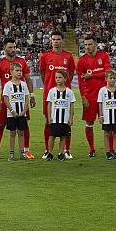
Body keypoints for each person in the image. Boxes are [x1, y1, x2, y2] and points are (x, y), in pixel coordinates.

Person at [0, 38, 31, 160]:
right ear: (4, 49)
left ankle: (26, 151)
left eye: (14, 47)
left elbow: (28, 79)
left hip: (21, 100)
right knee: (0, 125)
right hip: (7, 101)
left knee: (24, 126)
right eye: (10, 47)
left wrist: (32, 95)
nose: (13, 49)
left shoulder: (22, 62)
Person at [37, 30, 75, 159]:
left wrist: (65, 85)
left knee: (66, 123)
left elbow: (70, 74)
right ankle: (48, 150)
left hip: (65, 95)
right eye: (54, 39)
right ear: (51, 41)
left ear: (62, 41)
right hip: (50, 94)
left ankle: (66, 150)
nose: (56, 42)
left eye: (58, 39)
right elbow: (42, 74)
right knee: (48, 122)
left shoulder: (68, 57)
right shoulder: (45, 56)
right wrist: (48, 85)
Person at [77, 35, 112, 158]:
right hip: (90, 96)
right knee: (89, 122)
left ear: (96, 44)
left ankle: (111, 149)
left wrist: (92, 75)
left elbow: (108, 73)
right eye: (86, 45)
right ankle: (92, 149)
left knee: (108, 123)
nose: (88, 47)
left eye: (90, 44)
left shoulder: (104, 56)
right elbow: (81, 82)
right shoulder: (81, 61)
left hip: (105, 96)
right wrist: (83, 97)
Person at [1, 65, 33, 161]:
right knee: (12, 133)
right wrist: (12, 111)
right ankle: (11, 154)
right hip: (11, 114)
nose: (19, 72)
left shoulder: (23, 84)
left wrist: (24, 111)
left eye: (20, 71)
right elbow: (6, 99)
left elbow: (27, 98)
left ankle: (22, 153)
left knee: (21, 133)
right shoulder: (8, 85)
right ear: (11, 72)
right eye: (17, 70)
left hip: (22, 114)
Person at [44, 70, 75, 161]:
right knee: (52, 136)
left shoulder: (69, 92)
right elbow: (49, 104)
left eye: (60, 77)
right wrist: (49, 117)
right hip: (54, 119)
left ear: (65, 79)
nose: (57, 79)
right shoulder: (52, 91)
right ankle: (50, 153)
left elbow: (72, 105)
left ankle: (61, 153)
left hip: (65, 119)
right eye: (56, 77)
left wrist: (71, 117)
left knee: (63, 136)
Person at [96, 72, 116, 160]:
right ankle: (108, 152)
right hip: (107, 117)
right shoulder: (102, 90)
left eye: (114, 78)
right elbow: (100, 103)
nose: (112, 80)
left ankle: (115, 152)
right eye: (110, 78)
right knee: (106, 134)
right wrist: (101, 115)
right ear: (106, 79)